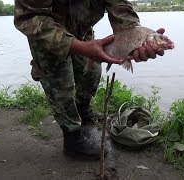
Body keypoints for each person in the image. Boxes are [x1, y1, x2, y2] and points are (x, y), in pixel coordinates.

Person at [14, 0, 165, 160]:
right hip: (46, 34)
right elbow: (30, 17)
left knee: (92, 71)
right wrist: (79, 47)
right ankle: (72, 139)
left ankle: (83, 110)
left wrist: (136, 38)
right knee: (60, 83)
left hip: (82, 30)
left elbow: (120, 6)